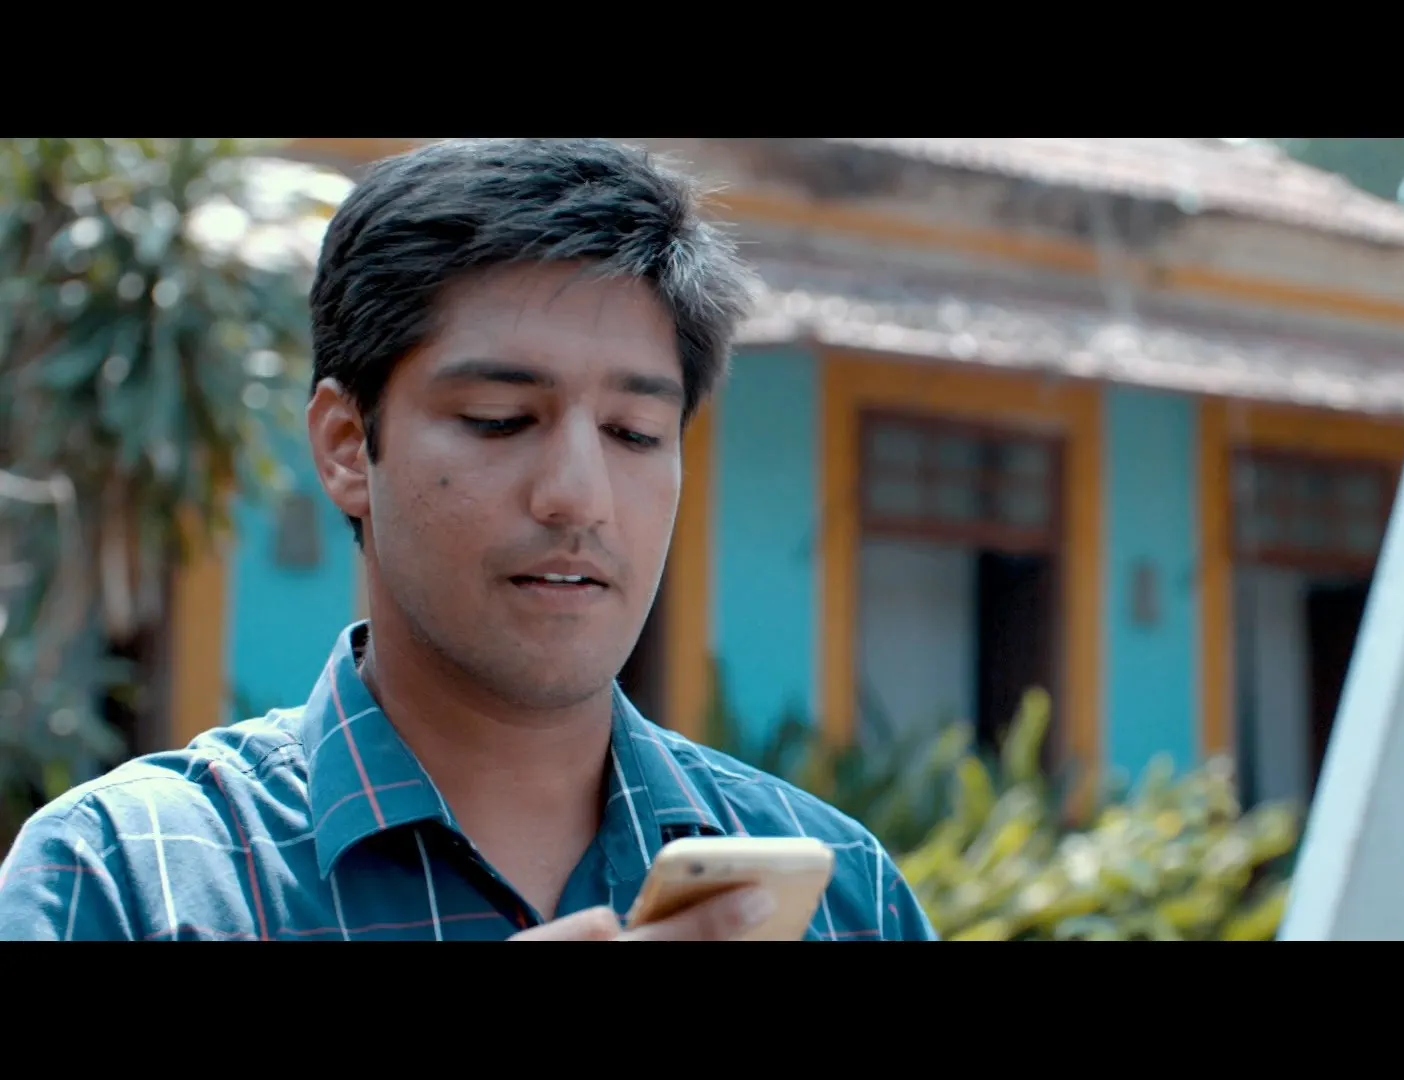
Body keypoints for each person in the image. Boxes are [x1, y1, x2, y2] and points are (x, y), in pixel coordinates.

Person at [0, 138, 940, 941]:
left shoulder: (844, 897)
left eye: (634, 433)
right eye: (500, 418)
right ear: (346, 445)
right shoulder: (128, 878)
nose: (579, 497)